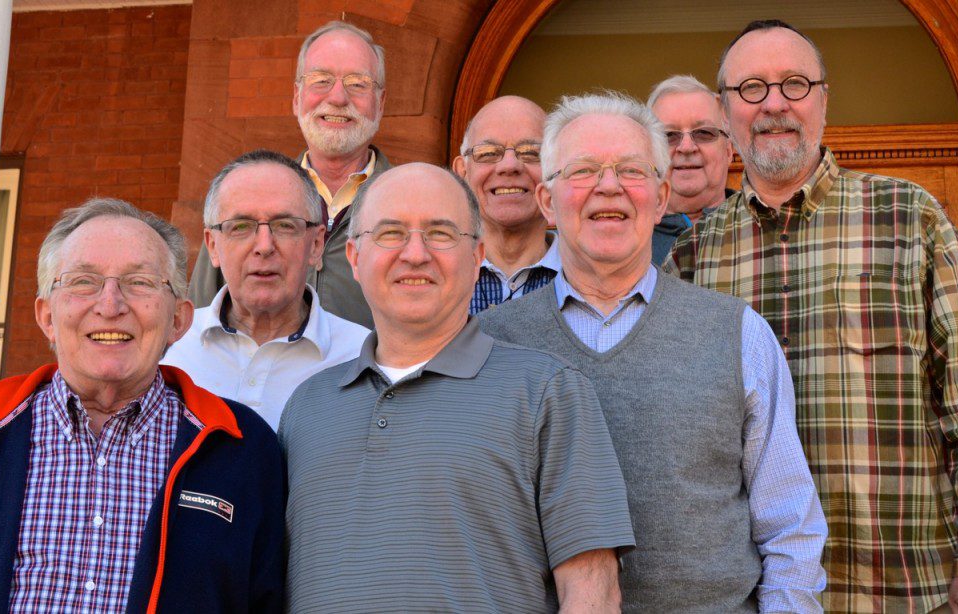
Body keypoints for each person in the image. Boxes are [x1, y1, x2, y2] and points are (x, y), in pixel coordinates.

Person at [666, 19, 958, 613]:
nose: (773, 103)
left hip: (901, 588)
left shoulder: (908, 216)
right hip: (756, 594)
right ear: (726, 109)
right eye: (750, 88)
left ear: (824, 99)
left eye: (794, 83)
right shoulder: (693, 257)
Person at [480, 92, 827, 612]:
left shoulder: (737, 333)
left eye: (630, 170)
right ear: (547, 201)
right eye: (584, 170)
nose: (609, 186)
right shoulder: (490, 344)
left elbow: (789, 526)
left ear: (661, 197)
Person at [279, 162, 635, 612]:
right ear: (353, 257)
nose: (415, 254)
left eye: (441, 233)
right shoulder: (306, 407)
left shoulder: (547, 393)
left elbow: (592, 593)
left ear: (476, 256)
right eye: (390, 233)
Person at [0, 198, 284, 612]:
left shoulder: (243, 449)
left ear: (179, 319)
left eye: (139, 282)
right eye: (83, 281)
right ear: (47, 315)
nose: (110, 305)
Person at [188, 21, 390, 328]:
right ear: (297, 97)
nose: (337, 97)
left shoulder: (408, 207)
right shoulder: (241, 197)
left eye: (358, 83)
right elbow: (201, 326)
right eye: (321, 80)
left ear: (380, 103)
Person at [163, 150, 368, 430]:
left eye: (284, 226)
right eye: (241, 226)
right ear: (213, 246)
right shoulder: (166, 349)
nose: (264, 246)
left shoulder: (362, 358)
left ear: (316, 245)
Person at [452, 95, 560, 312]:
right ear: (462, 173)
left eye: (531, 153)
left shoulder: (588, 277)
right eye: (489, 153)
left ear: (556, 170)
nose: (509, 166)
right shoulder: (435, 273)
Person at [646, 74, 734, 262]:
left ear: (728, 151)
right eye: (669, 135)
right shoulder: (625, 240)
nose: (686, 147)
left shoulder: (760, 227)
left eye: (703, 133)